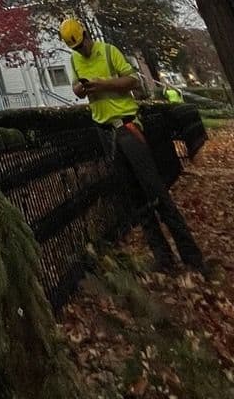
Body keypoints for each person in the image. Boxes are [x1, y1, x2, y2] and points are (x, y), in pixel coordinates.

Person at [59, 16, 205, 275]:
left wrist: (103, 84)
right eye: (76, 48)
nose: (81, 50)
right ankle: (163, 259)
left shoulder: (108, 52)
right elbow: (76, 90)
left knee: (156, 193)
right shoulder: (74, 61)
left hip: (128, 127)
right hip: (107, 134)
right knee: (135, 198)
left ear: (87, 34)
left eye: (82, 44)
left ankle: (192, 256)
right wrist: (80, 90)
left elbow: (132, 80)